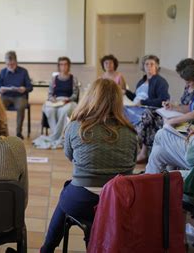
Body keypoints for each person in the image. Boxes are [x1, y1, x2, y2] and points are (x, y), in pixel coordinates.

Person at [40, 79, 137, 253]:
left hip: (83, 200)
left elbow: (70, 156)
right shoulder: (130, 131)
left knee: (67, 194)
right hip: (118, 203)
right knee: (74, 196)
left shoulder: (77, 126)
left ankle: (47, 248)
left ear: (90, 97)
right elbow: (132, 163)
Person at [146, 70, 194, 174]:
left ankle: (162, 177)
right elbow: (190, 108)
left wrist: (171, 121)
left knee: (162, 133)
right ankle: (149, 182)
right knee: (157, 153)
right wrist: (173, 107)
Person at [136, 58, 194, 163]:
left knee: (151, 117)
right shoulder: (188, 86)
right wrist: (172, 106)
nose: (183, 79)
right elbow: (186, 106)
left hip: (187, 120)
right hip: (179, 114)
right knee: (148, 115)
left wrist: (173, 118)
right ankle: (148, 153)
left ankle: (150, 153)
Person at [124, 55, 170, 162]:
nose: (149, 66)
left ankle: (143, 152)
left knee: (146, 115)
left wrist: (143, 102)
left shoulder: (160, 81)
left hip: (150, 109)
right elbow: (136, 97)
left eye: (152, 64)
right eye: (146, 64)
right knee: (118, 109)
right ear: (143, 67)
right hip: (137, 108)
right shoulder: (142, 81)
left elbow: (163, 99)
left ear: (157, 66)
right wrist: (125, 92)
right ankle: (126, 147)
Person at [33, 57, 79, 149]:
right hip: (56, 101)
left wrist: (68, 100)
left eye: (65, 64)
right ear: (58, 66)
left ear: (68, 66)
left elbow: (75, 94)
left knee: (64, 111)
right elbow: (50, 94)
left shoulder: (73, 78)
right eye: (61, 64)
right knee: (49, 110)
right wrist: (52, 99)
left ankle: (59, 136)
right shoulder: (54, 79)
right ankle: (55, 135)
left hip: (68, 101)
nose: (63, 66)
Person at [0, 51, 33, 139]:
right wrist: (0, 89)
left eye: (12, 64)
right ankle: (3, 131)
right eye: (8, 64)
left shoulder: (23, 71)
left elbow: (30, 87)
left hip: (19, 96)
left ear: (16, 62)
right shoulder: (2, 72)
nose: (10, 66)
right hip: (6, 96)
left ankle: (18, 132)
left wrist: (24, 89)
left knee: (21, 106)